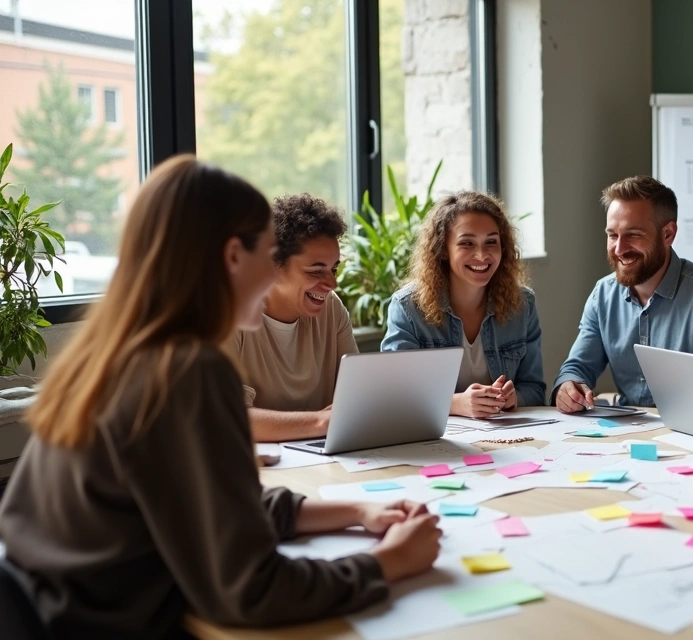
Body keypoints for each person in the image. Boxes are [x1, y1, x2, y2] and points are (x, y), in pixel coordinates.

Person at [0, 157, 441, 639]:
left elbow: (214, 502)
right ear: (234, 256)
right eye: (268, 252)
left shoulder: (116, 350)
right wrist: (390, 562)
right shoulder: (190, 369)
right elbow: (251, 591)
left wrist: (356, 512)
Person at [553, 176, 693, 411]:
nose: (619, 249)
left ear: (668, 234)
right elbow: (578, 367)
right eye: (612, 235)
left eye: (633, 235)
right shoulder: (602, 294)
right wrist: (569, 387)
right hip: (627, 432)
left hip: (691, 435)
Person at [381, 191, 544, 418]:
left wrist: (514, 397)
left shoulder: (522, 304)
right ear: (443, 250)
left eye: (491, 242)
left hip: (503, 438)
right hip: (438, 442)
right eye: (467, 243)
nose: (481, 254)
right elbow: (394, 394)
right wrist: (456, 404)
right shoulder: (408, 308)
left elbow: (535, 388)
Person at [231, 193, 359, 442]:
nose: (331, 283)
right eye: (316, 270)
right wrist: (320, 422)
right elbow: (231, 418)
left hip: (321, 461)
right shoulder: (231, 318)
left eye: (334, 269)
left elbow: (357, 395)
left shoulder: (331, 309)